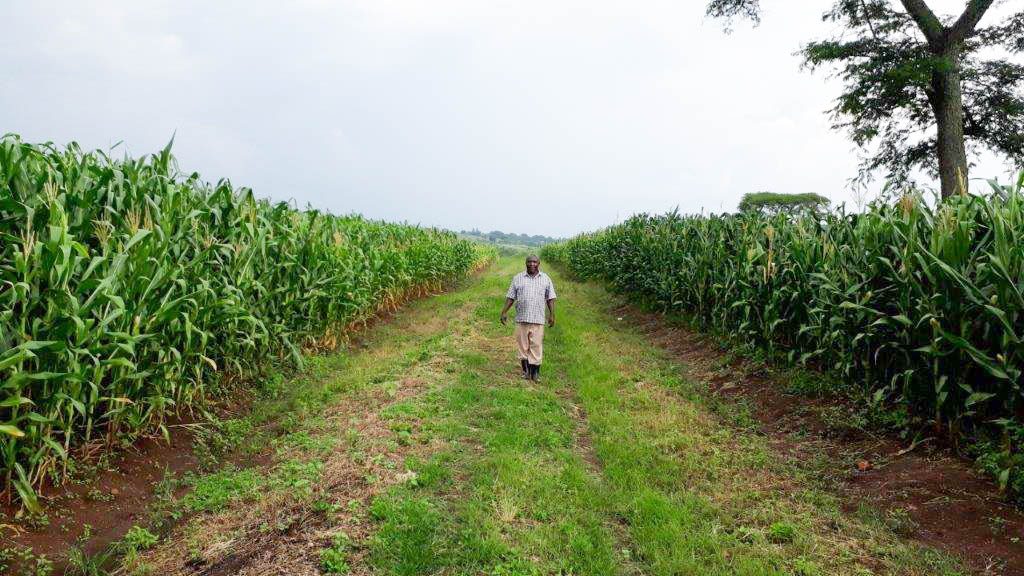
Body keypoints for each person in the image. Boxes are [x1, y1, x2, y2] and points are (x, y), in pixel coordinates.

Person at [500, 255, 556, 381]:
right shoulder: (518, 278)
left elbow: (550, 298)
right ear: (525, 263)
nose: (532, 264)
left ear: (539, 263)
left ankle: (535, 373)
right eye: (529, 262)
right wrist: (504, 312)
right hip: (522, 318)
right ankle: (525, 371)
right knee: (523, 346)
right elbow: (510, 297)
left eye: (534, 262)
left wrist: (552, 314)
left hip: (538, 319)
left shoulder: (545, 279)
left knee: (536, 345)